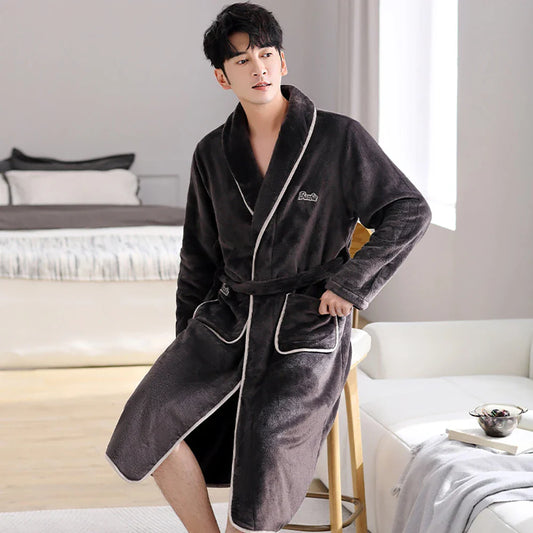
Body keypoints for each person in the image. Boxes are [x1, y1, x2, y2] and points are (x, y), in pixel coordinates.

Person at [105, 3, 432, 532]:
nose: (257, 68)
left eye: (266, 54)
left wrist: (350, 285)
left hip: (305, 323)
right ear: (222, 76)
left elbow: (408, 210)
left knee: (267, 456)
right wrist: (185, 342)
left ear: (282, 61)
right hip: (229, 319)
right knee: (148, 423)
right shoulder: (212, 153)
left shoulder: (337, 138)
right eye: (241, 61)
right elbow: (199, 258)